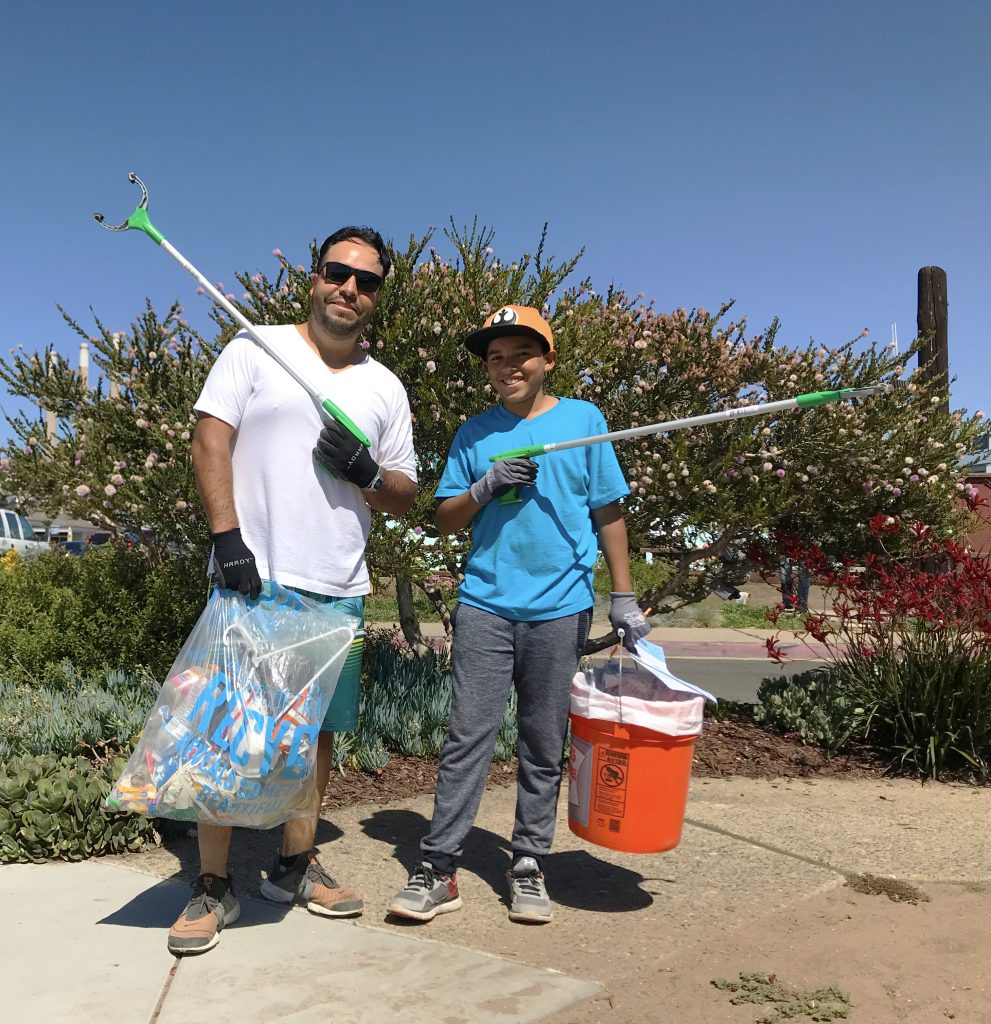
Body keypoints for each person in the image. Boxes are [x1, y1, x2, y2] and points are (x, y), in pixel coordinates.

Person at [167, 226, 418, 955]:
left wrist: (370, 475)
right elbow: (209, 438)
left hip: (337, 586)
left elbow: (403, 492)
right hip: (254, 575)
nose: (349, 289)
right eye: (338, 273)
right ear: (313, 279)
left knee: (313, 737)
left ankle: (293, 864)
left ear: (376, 297)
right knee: (224, 733)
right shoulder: (255, 347)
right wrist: (225, 537)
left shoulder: (384, 387)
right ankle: (214, 885)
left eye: (366, 281)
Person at [387, 305, 650, 926]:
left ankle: (528, 862)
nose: (508, 367)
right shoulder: (474, 434)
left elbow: (608, 511)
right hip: (484, 604)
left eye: (521, 355)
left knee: (542, 739)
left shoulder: (585, 422)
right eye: (496, 358)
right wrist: (483, 487)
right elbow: (443, 516)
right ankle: (440, 865)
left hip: (560, 609)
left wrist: (624, 594)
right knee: (467, 738)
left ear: (547, 360)